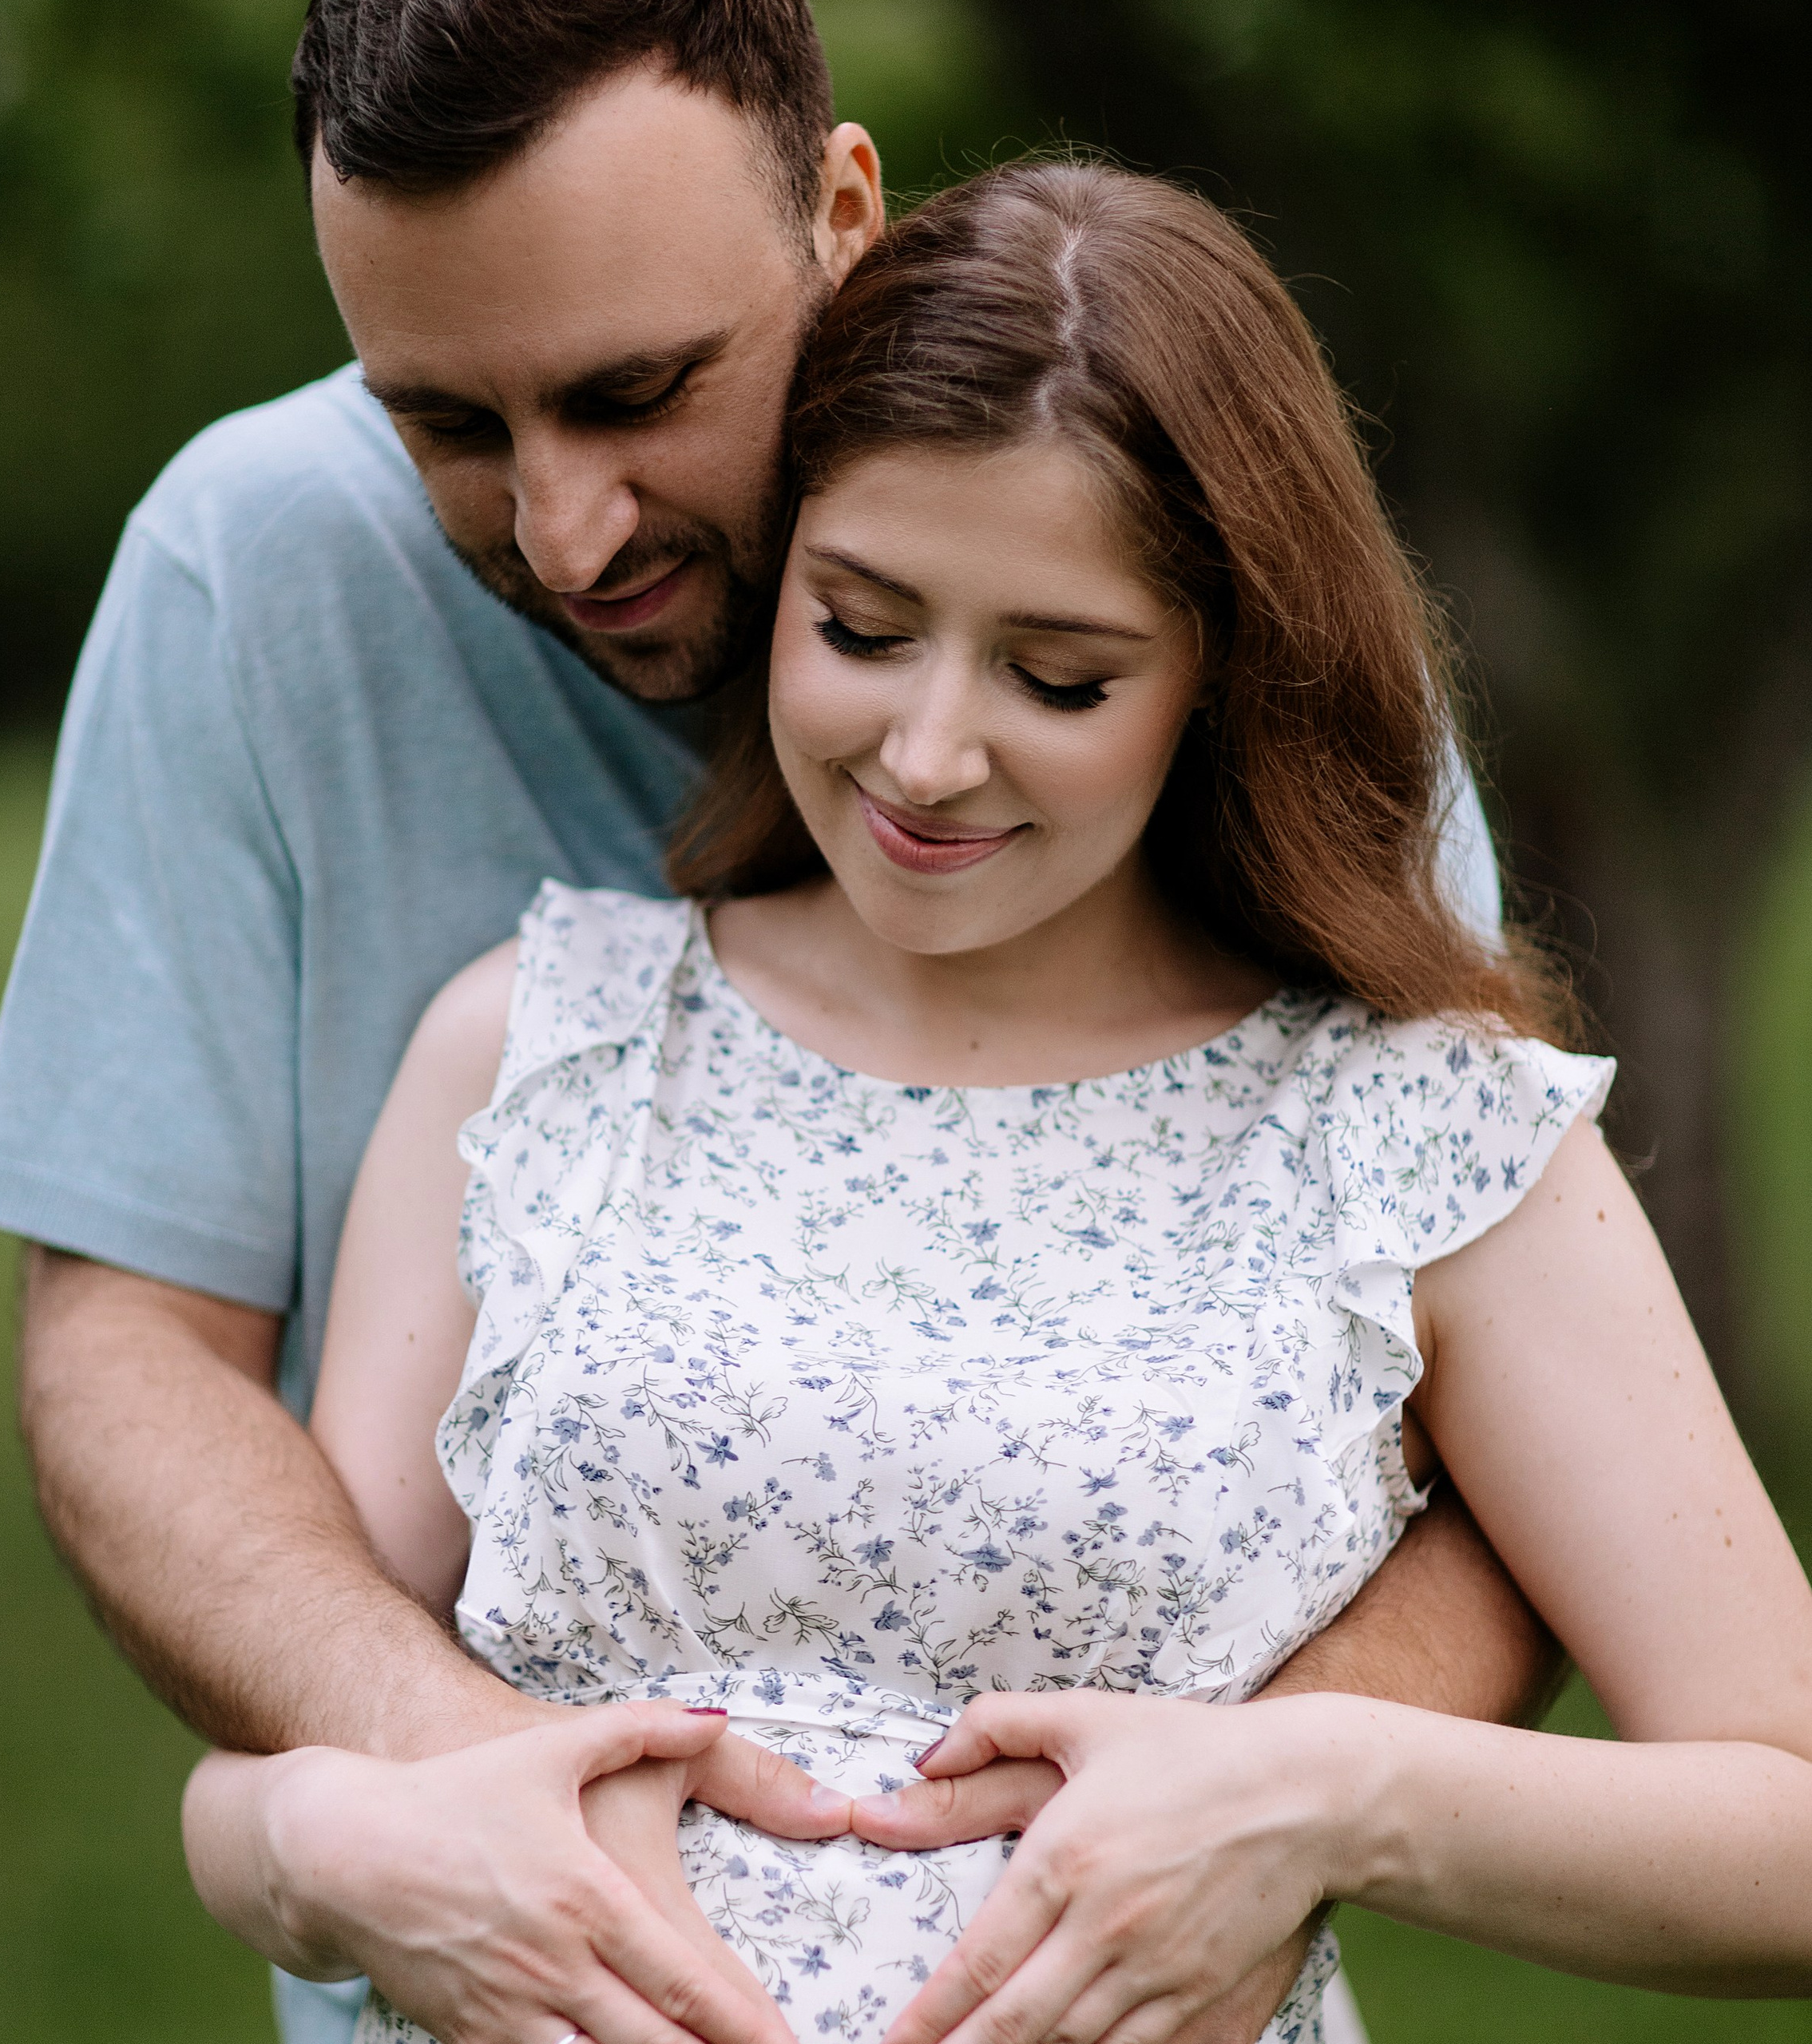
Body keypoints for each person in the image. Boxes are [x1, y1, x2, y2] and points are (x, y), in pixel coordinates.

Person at [0, 7, 1552, 2043]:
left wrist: (1250, 1815)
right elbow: (125, 1348)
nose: (562, 529)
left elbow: (1500, 1423)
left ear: (839, 213)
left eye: (637, 394)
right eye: (444, 424)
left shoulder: (1214, 616)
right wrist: (440, 1771)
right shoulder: (247, 570)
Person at [178, 159, 1812, 2044]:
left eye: (1056, 673)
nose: (928, 754)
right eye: (861, 628)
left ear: (1215, 667)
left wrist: (1324, 1796)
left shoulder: (1412, 1131)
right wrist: (313, 1845)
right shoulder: (541, 1047)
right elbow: (271, 1761)